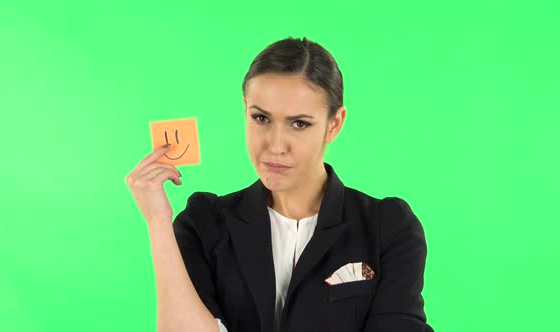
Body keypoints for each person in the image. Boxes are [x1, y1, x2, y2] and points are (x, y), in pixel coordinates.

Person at [126, 36, 433, 332]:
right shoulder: (204, 223)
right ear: (245, 109)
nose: (275, 145)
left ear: (334, 124)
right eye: (261, 118)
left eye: (299, 124)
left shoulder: (388, 226)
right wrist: (157, 222)